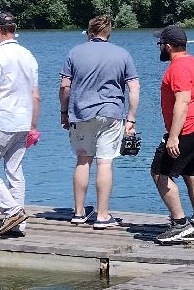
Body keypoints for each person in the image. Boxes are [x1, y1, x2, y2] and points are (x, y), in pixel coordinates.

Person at [59, 14, 139, 229]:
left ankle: (78, 212)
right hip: (111, 114)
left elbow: (65, 86)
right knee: (105, 162)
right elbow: (134, 88)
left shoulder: (74, 52)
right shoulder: (122, 54)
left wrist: (64, 112)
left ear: (89, 32)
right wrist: (131, 118)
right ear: (108, 33)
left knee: (83, 160)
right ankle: (102, 216)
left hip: (81, 113)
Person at [0, 11, 42, 238]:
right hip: (23, 121)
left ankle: (12, 211)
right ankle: (17, 224)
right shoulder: (28, 55)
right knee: (14, 169)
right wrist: (33, 125)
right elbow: (35, 95)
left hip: (4, 119)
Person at [151, 24, 194, 244]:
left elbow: (183, 102)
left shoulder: (177, 68)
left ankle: (180, 224)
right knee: (192, 176)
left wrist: (173, 136)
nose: (159, 46)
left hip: (188, 128)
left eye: (160, 43)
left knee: (159, 173)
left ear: (168, 46)